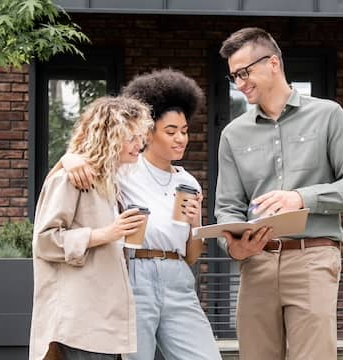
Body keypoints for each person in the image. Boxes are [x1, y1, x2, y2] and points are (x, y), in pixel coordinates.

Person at [214, 27, 343, 359]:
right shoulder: (232, 134)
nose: (240, 83)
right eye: (234, 77)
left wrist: (301, 198)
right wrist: (233, 246)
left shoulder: (328, 115)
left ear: (273, 62)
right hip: (256, 263)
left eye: (244, 72)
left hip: (313, 258)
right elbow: (227, 208)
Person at [58, 69, 222, 360]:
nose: (180, 138)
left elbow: (191, 255)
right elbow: (88, 154)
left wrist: (196, 224)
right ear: (148, 132)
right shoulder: (126, 169)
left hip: (178, 279)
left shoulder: (188, 183)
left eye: (184, 130)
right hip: (134, 276)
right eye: (170, 131)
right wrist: (69, 159)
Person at [30, 96, 154, 360]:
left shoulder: (108, 184)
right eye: (131, 137)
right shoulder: (70, 179)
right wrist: (107, 233)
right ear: (109, 136)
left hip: (104, 321)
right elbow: (44, 241)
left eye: (140, 137)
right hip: (80, 322)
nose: (139, 145)